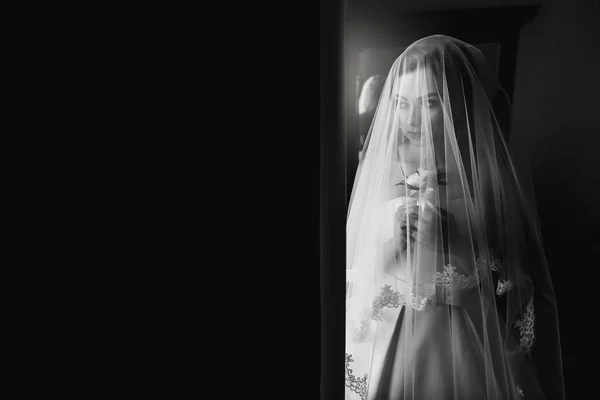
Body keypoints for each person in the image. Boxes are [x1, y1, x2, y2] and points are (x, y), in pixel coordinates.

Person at [345, 35, 564, 400]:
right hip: (387, 338)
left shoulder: (488, 178)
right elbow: (355, 270)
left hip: (460, 344)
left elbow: (517, 287)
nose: (411, 120)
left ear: (456, 105)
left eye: (429, 103)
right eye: (401, 103)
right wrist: (393, 243)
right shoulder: (381, 165)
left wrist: (456, 244)